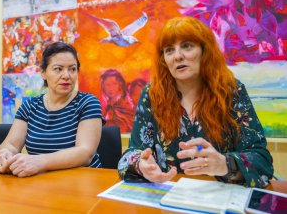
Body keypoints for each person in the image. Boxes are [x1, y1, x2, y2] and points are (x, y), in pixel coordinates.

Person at [117, 16, 273, 187]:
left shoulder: (231, 91)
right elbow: (130, 155)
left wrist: (224, 164)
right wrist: (140, 165)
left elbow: (262, 162)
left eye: (187, 46)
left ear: (205, 51)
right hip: (168, 197)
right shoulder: (152, 94)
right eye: (169, 50)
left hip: (219, 199)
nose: (177, 56)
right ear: (164, 60)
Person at [0, 42, 103, 177]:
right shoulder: (30, 106)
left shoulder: (88, 102)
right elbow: (10, 144)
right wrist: (4, 155)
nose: (66, 75)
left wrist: (39, 162)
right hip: (42, 182)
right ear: (43, 73)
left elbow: (85, 153)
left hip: (82, 181)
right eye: (58, 69)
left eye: (72, 69)